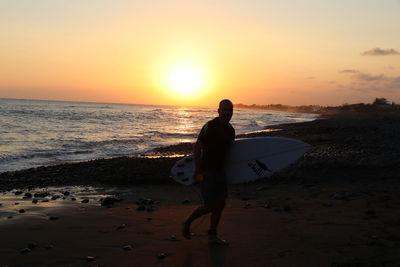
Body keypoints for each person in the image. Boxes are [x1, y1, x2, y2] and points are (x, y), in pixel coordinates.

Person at [182, 99, 235, 245]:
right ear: (218, 111)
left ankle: (212, 235)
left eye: (230, 110)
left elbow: (230, 154)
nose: (227, 113)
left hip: (220, 172)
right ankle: (187, 222)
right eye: (224, 109)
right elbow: (198, 147)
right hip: (206, 171)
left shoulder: (231, 130)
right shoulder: (208, 126)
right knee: (210, 205)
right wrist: (197, 170)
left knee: (220, 204)